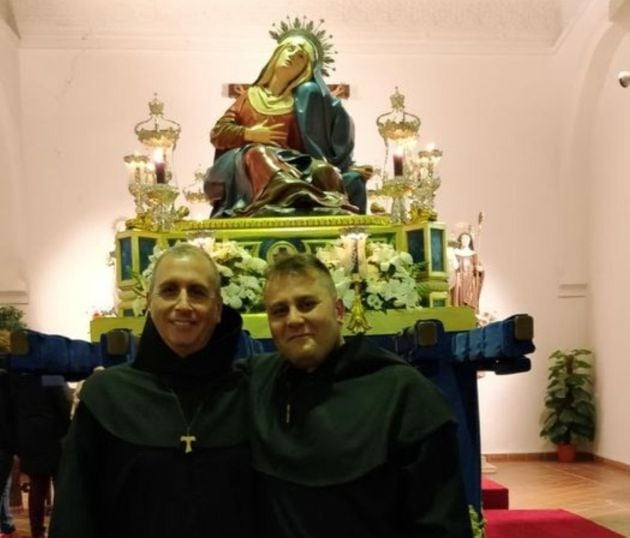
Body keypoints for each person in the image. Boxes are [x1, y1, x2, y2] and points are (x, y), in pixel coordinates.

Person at [247, 253, 472, 537]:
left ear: (339, 311)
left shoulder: (403, 393)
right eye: (279, 311)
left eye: (307, 304)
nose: (293, 319)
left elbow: (441, 522)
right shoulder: (259, 383)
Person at [50, 243, 253, 538]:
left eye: (197, 292)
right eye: (169, 290)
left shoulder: (247, 390)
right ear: (149, 302)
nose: (183, 304)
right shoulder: (106, 395)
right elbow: (74, 512)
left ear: (218, 309)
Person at [205, 28, 370, 217]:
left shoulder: (300, 102)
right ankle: (301, 194)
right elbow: (218, 133)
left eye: (301, 56)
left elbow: (324, 140)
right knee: (257, 152)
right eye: (290, 48)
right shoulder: (250, 97)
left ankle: (308, 195)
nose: (293, 56)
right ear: (278, 53)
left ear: (305, 69)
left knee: (324, 171)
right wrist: (250, 134)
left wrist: (346, 167)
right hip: (249, 166)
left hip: (294, 163)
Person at [11, 373, 71, 538]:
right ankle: (60, 528)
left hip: (29, 438)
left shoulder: (19, 378)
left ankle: (37, 531)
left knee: (37, 486)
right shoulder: (50, 375)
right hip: (52, 436)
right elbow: (63, 406)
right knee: (60, 485)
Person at [449, 232, 484, 312]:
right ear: (460, 240)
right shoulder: (455, 253)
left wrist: (480, 269)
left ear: (470, 241)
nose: (465, 240)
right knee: (457, 298)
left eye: (467, 238)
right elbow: (452, 266)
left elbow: (479, 270)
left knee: (470, 301)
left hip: (470, 281)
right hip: (459, 280)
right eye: (463, 238)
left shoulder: (473, 254)